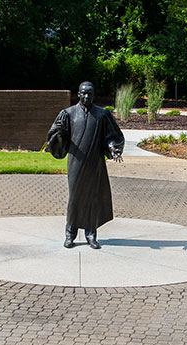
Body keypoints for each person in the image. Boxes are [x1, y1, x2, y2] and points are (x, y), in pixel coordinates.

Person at [46, 81, 125, 249]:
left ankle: (91, 233)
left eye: (90, 93)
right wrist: (59, 134)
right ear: (79, 94)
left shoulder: (102, 115)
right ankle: (70, 233)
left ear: (93, 94)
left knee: (92, 198)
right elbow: (57, 138)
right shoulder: (68, 113)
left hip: (95, 162)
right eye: (84, 93)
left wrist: (113, 148)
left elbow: (111, 136)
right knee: (75, 197)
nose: (87, 96)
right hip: (76, 162)